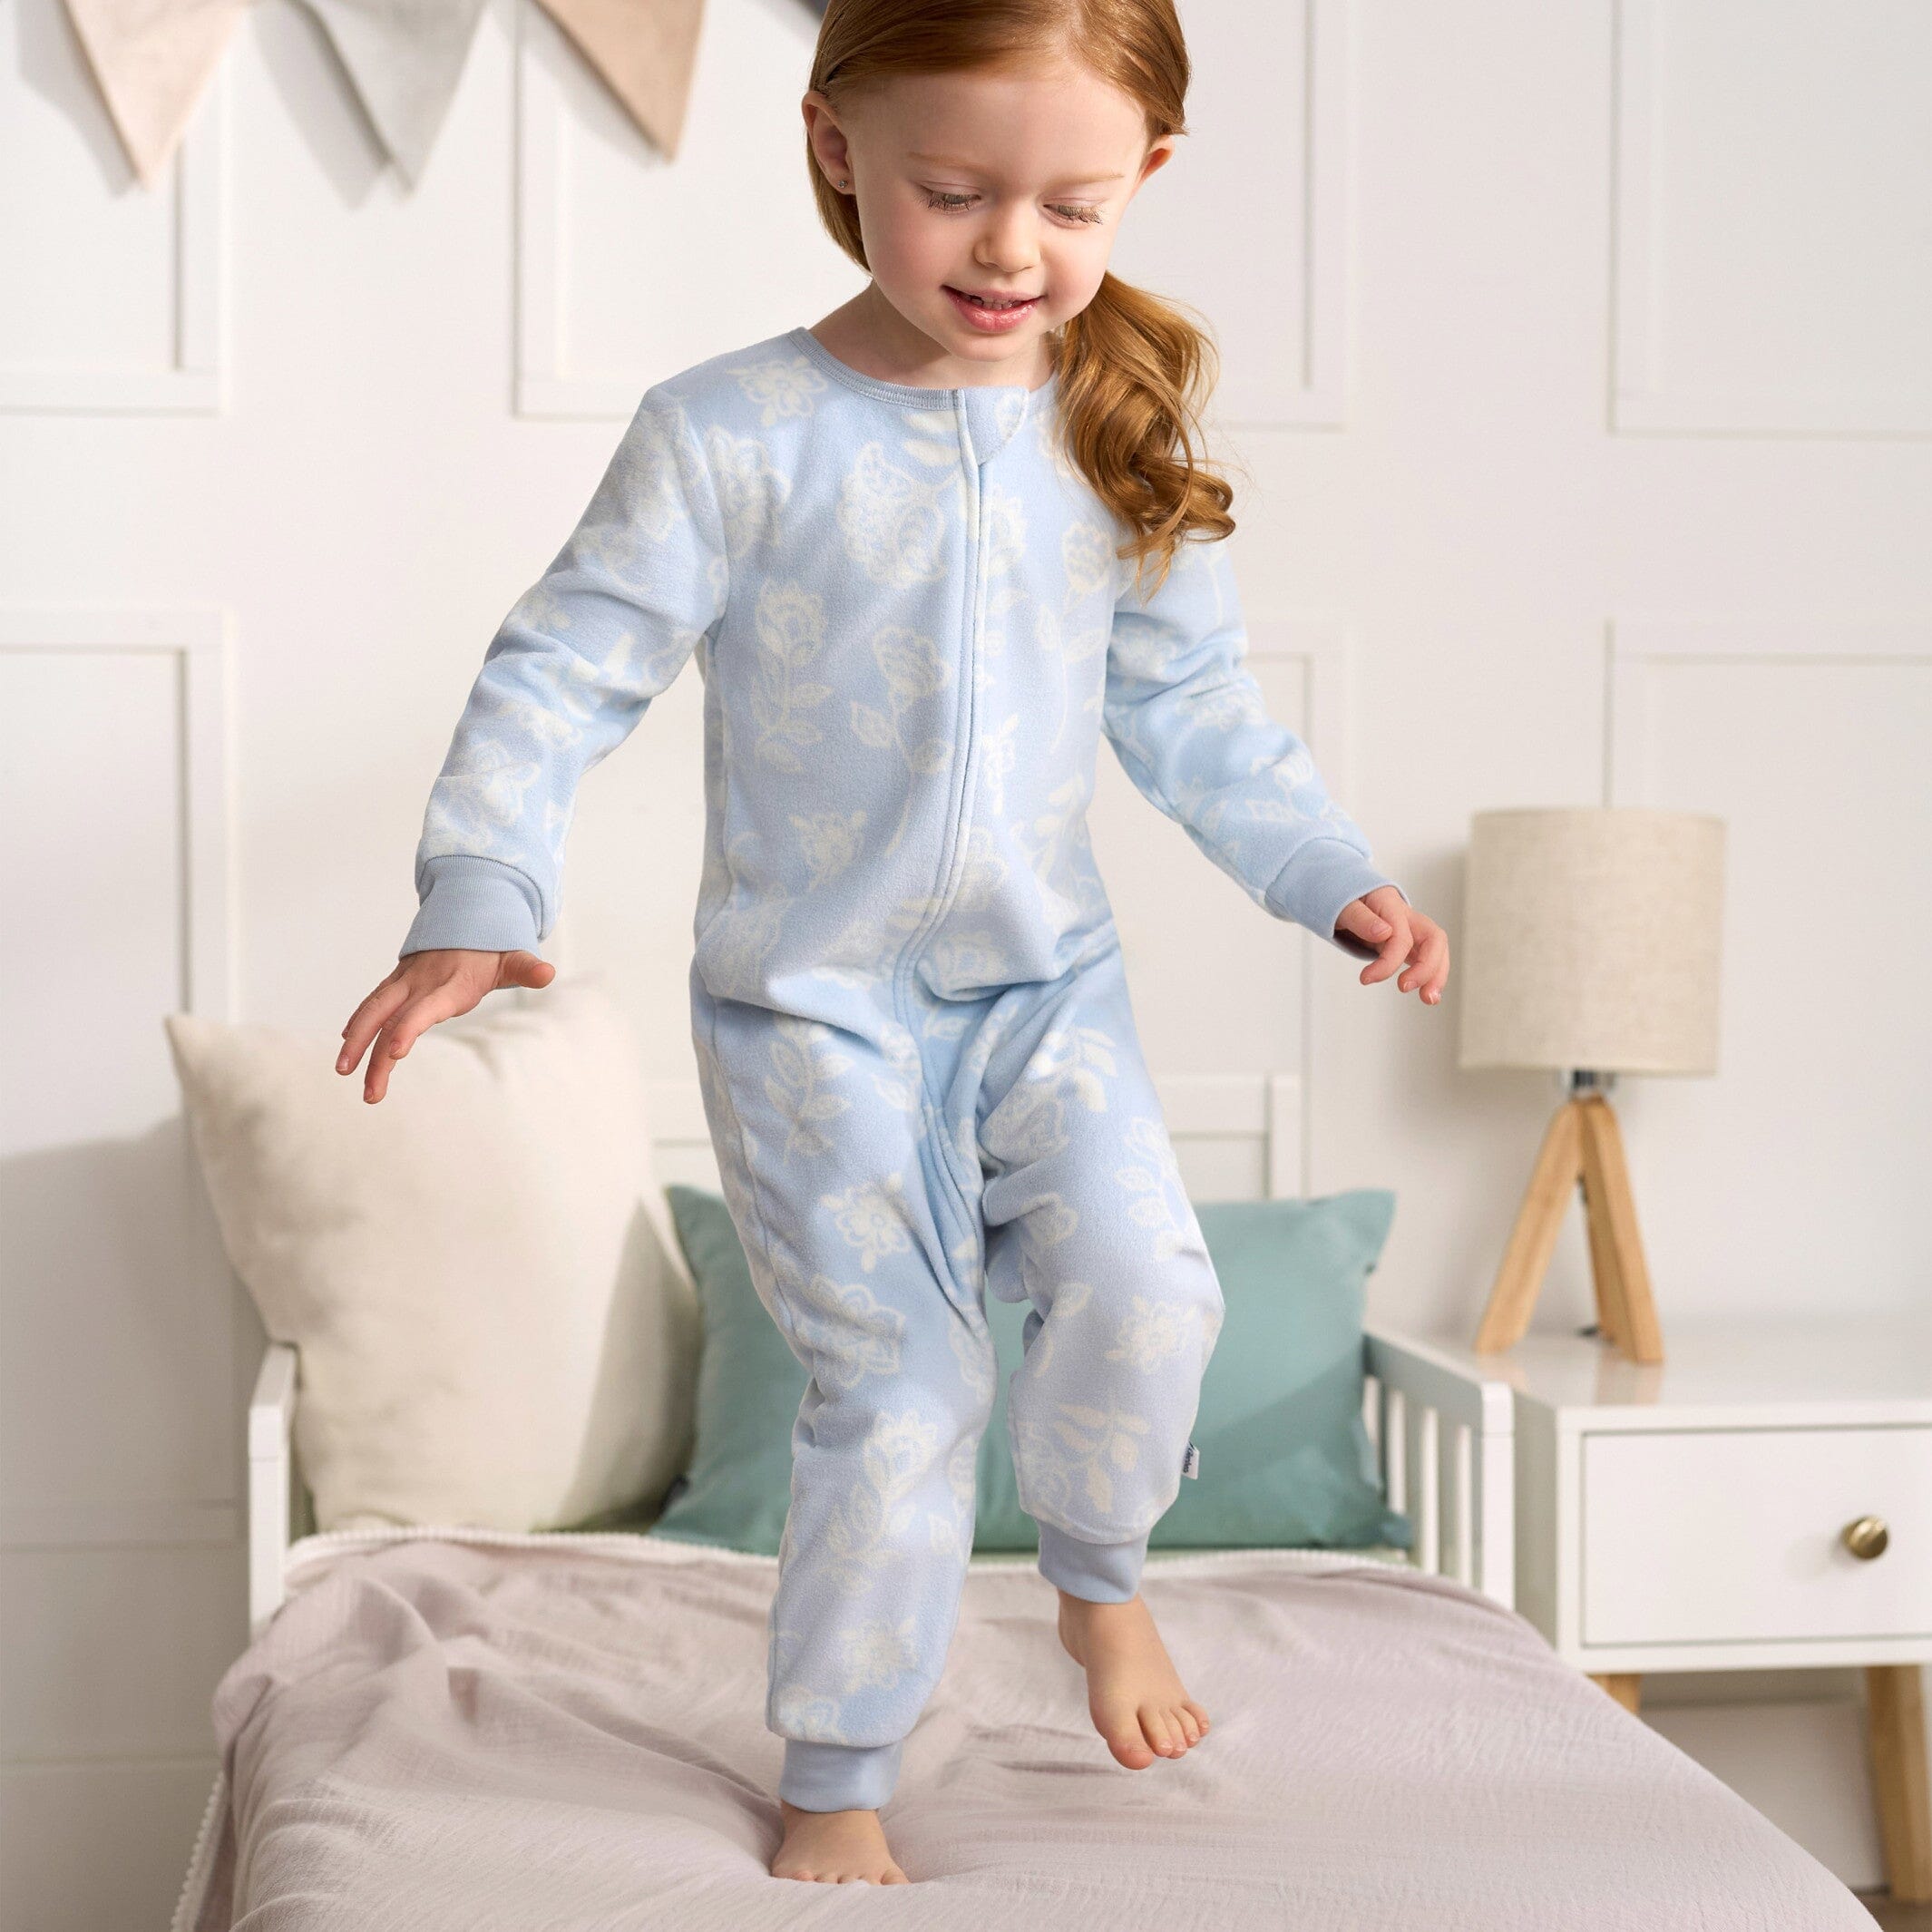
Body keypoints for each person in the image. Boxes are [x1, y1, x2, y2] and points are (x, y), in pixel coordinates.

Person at [337, 0, 1449, 1887]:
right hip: (811, 1018)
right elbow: (561, 671)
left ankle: (1099, 1579)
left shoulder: (1116, 423)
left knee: (1152, 1292)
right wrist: (480, 893)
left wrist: (1325, 871)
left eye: (1070, 207)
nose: (1012, 250)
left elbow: (1195, 711)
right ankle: (838, 1767)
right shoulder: (732, 433)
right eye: (955, 192)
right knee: (905, 1391)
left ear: (1146, 177)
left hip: (1046, 992)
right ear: (837, 146)